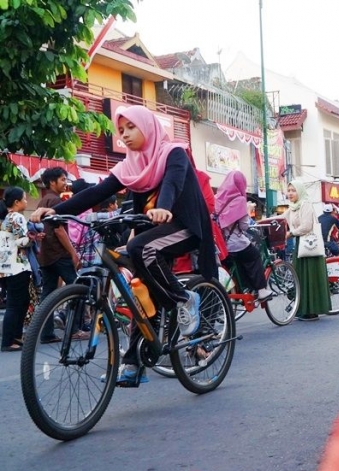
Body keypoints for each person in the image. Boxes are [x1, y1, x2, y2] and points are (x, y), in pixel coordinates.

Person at [32, 105, 214, 385]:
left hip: (183, 226)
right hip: (151, 232)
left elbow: (174, 183)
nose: (125, 135)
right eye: (121, 130)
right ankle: (134, 364)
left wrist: (163, 207)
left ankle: (184, 298)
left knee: (141, 248)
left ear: (148, 127)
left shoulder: (172, 152)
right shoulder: (131, 165)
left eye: (131, 127)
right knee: (139, 291)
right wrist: (57, 211)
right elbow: (97, 192)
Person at [36, 167, 81, 343]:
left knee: (47, 295)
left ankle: (46, 333)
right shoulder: (56, 202)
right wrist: (73, 253)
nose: (65, 183)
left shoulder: (42, 202)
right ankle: (74, 329)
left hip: (45, 255)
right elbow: (60, 231)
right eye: (62, 179)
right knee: (77, 290)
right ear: (52, 182)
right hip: (59, 254)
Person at [215, 171, 274, 302]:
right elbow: (244, 226)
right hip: (236, 244)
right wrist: (246, 211)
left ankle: (240, 290)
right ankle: (261, 290)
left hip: (221, 246)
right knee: (254, 255)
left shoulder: (217, 197)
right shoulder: (240, 200)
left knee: (239, 264)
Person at [282, 180, 331, 321]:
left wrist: (290, 233)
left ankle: (312, 310)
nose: (290, 193)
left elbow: (306, 226)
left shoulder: (305, 204)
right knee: (301, 277)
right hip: (299, 245)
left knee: (310, 277)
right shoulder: (292, 207)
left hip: (309, 245)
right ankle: (303, 308)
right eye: (289, 190)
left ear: (300, 191)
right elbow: (280, 218)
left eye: (293, 190)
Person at [0, 188, 33, 352]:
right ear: (16, 202)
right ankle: (8, 340)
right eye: (25, 199)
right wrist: (33, 238)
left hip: (6, 266)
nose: (26, 202)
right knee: (15, 304)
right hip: (17, 266)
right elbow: (22, 241)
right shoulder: (17, 217)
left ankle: (16, 336)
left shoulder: (6, 218)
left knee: (21, 301)